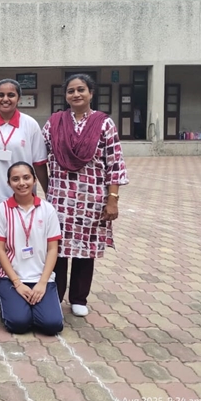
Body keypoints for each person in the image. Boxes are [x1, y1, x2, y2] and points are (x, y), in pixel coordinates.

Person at [43, 74, 128, 317]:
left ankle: (79, 298)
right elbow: (40, 155)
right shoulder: (54, 122)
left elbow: (115, 164)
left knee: (85, 249)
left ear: (91, 93)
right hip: (59, 198)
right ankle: (55, 295)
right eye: (71, 91)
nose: (76, 94)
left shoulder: (104, 124)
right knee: (57, 248)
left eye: (81, 89)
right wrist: (48, 189)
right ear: (65, 95)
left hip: (91, 199)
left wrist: (112, 200)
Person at [0, 78, 48, 308]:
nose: (5, 99)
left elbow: (39, 162)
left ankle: (17, 284)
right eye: (1, 95)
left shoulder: (29, 125)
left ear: (19, 98)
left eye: (11, 95)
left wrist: (48, 193)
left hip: (21, 197)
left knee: (17, 243)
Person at [0, 162, 64, 335]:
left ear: (34, 180)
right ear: (9, 183)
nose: (22, 183)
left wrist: (42, 283)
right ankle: (20, 309)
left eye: (26, 178)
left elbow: (53, 249)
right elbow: (0, 250)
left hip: (41, 278)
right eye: (15, 179)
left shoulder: (47, 209)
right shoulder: (1, 210)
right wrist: (17, 283)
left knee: (52, 325)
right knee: (18, 324)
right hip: (11, 278)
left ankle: (33, 309)